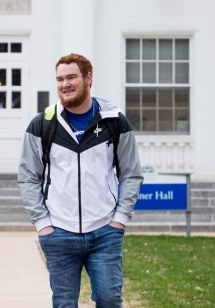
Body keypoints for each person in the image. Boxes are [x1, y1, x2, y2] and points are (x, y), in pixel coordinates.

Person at [17, 53, 143, 308]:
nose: (65, 84)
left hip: (104, 232)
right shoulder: (43, 124)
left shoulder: (114, 121)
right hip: (59, 232)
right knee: (64, 303)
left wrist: (119, 219)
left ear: (88, 78)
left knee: (109, 300)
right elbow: (28, 177)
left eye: (71, 77)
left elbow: (131, 173)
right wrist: (43, 224)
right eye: (60, 79)